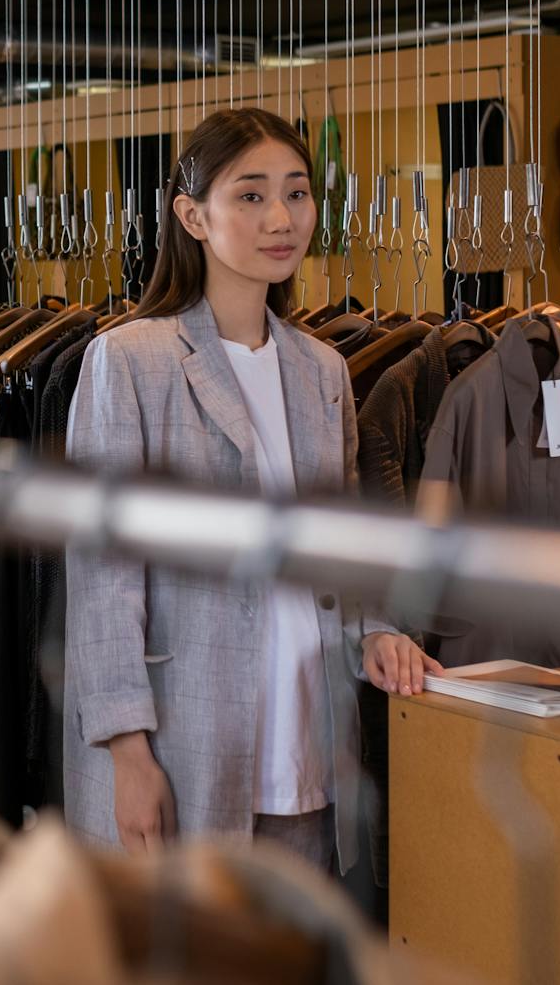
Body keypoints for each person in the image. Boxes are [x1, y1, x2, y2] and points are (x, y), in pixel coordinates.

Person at [61, 107, 439, 878]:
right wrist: (126, 754)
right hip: (188, 743)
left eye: (297, 194)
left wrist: (375, 628)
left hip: (311, 747)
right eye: (252, 195)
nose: (281, 217)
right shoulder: (130, 362)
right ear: (192, 214)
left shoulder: (323, 370)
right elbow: (102, 576)